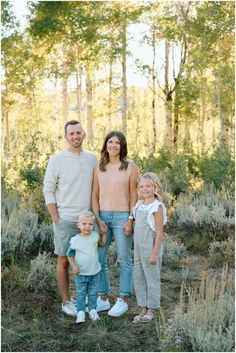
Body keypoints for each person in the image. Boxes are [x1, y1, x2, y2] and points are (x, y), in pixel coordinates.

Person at [43, 120, 98, 316]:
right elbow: (48, 189)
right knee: (64, 260)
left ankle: (82, 297)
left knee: (86, 260)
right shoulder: (56, 160)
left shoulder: (93, 158)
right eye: (71, 134)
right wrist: (56, 218)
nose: (75, 136)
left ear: (84, 134)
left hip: (88, 222)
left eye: (78, 133)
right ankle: (66, 301)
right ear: (66, 137)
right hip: (65, 219)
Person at [92, 130, 138, 317]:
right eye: (110, 142)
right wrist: (98, 219)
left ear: (122, 146)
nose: (113, 145)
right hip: (102, 216)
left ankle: (123, 299)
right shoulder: (99, 167)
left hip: (122, 217)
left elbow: (134, 195)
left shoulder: (130, 166)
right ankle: (103, 298)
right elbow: (94, 195)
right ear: (105, 145)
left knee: (124, 259)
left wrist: (130, 219)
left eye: (117, 143)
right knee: (99, 258)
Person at [132, 172, 167, 323]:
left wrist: (154, 253)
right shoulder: (138, 205)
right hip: (138, 248)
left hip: (151, 247)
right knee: (139, 276)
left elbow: (159, 231)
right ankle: (143, 306)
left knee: (151, 277)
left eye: (148, 186)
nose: (144, 189)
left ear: (155, 187)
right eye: (141, 186)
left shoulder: (157, 207)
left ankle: (152, 308)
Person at [67, 211, 106, 324]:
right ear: (78, 225)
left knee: (93, 292)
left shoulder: (95, 236)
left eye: (90, 224)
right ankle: (81, 312)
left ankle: (92, 310)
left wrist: (104, 234)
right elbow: (70, 255)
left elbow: (102, 244)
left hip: (94, 271)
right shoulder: (75, 240)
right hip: (81, 272)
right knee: (81, 292)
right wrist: (73, 266)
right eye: (84, 224)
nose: (87, 226)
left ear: (93, 226)